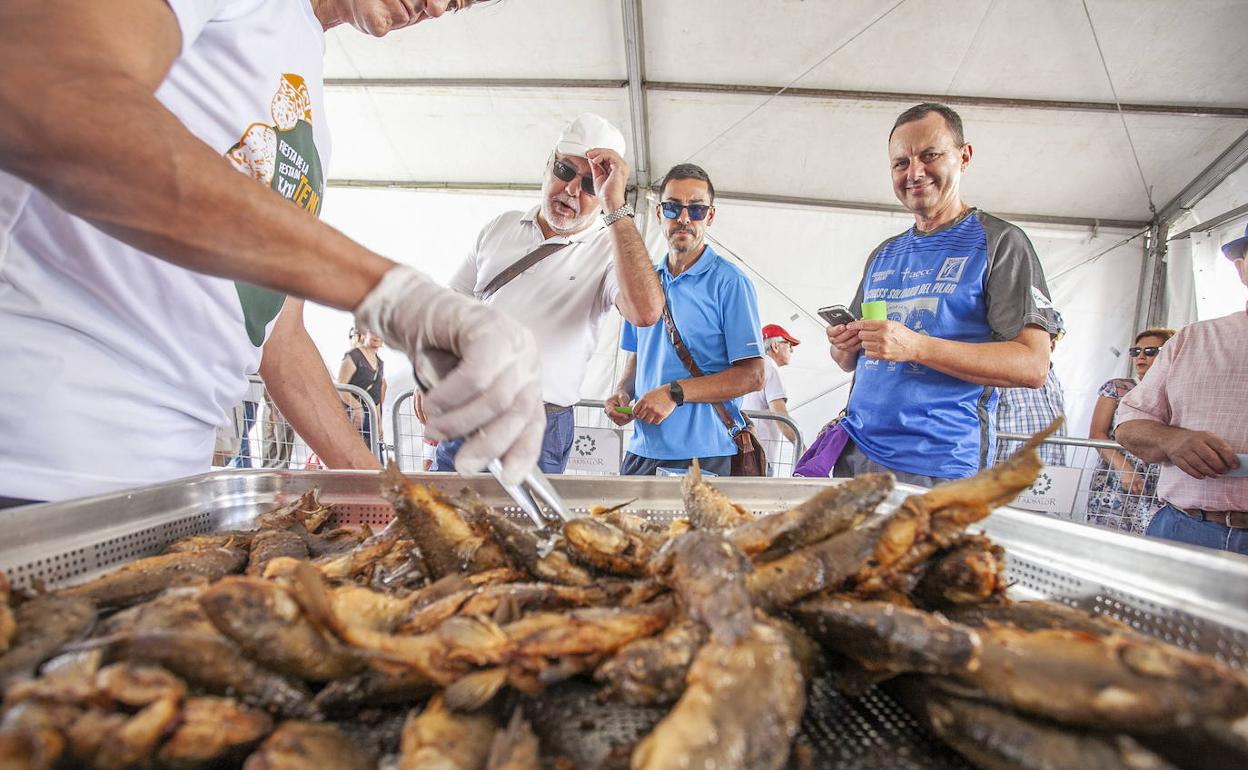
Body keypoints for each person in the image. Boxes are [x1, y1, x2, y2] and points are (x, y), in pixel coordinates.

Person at [0, 0, 543, 508]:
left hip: (168, 482)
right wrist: (388, 292)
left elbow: (276, 336)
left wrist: (386, 495)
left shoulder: (310, 105)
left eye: (462, 3)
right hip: (36, 455)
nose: (441, 4)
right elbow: (46, 85)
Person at [826, 102, 1059, 487]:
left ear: (964, 157)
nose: (914, 172)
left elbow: (1033, 366)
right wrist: (844, 343)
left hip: (938, 466)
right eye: (901, 163)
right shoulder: (885, 253)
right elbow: (848, 362)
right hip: (857, 453)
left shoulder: (1000, 242)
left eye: (930, 155)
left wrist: (917, 346)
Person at [424, 114, 663, 474]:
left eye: (589, 184)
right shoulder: (501, 226)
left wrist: (616, 208)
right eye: (565, 171)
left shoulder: (609, 249)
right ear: (548, 164)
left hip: (538, 428)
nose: (571, 190)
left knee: (524, 531)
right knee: (443, 526)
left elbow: (645, 312)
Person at [605, 164, 765, 476]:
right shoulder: (644, 280)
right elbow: (639, 356)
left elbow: (753, 376)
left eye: (696, 209)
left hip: (703, 456)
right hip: (641, 450)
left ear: (711, 216)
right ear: (658, 213)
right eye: (673, 207)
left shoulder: (730, 282)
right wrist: (623, 392)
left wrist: (673, 393)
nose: (683, 218)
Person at [1115, 227, 1248, 553]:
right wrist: (1172, 440)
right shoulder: (1192, 340)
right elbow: (1128, 425)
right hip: (1184, 530)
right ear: (1242, 268)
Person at [1084, 327, 1175, 532]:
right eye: (1136, 351)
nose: (1141, 356)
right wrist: (1124, 469)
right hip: (1116, 480)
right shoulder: (1117, 387)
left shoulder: (1178, 391)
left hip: (1160, 485)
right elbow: (1096, 434)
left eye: (1151, 351)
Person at [994, 313, 1068, 467]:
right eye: (1047, 335)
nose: (1052, 342)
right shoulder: (1000, 369)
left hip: (1049, 472)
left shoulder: (1052, 375)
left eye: (1057, 335)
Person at [741, 323, 800, 475]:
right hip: (761, 457)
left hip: (744, 453)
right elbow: (781, 418)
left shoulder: (750, 366)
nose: (792, 349)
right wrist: (804, 449)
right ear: (775, 346)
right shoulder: (771, 368)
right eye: (788, 344)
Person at [338, 327, 387, 454]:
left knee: (375, 461)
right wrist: (357, 407)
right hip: (352, 417)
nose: (377, 335)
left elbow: (376, 398)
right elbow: (340, 387)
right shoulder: (354, 356)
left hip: (370, 419)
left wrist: (379, 423)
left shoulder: (380, 363)